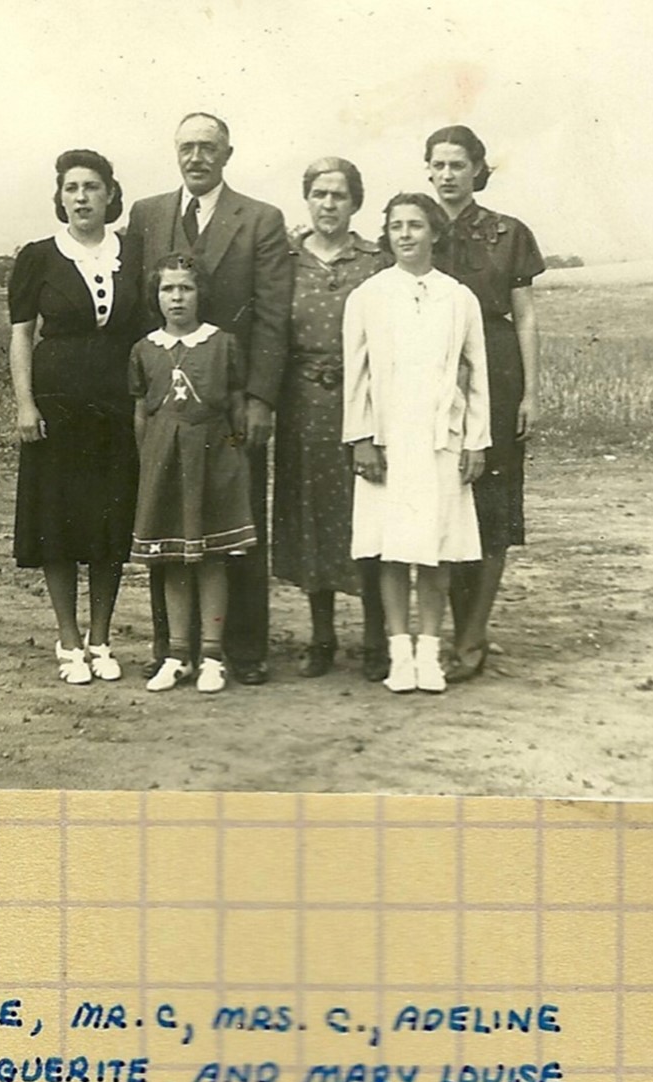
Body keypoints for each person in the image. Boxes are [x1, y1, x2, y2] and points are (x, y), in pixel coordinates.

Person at [124, 112, 292, 685]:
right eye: (187, 147)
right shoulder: (147, 215)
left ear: (227, 154)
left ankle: (238, 648)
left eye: (208, 148)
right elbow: (137, 312)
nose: (197, 157)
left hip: (231, 400)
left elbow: (272, 316)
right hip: (169, 407)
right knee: (167, 513)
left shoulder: (260, 219)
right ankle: (173, 648)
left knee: (236, 521)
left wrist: (260, 399)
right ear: (176, 153)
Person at [343, 193, 490, 693]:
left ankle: (429, 650)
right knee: (392, 548)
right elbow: (356, 376)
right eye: (396, 226)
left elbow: (476, 376)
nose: (406, 234)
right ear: (386, 234)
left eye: (416, 226)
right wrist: (362, 438)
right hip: (388, 440)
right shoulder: (368, 295)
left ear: (434, 233)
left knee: (435, 548)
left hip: (440, 441)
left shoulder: (458, 297)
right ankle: (398, 651)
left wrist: (476, 441)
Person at [8, 149, 139, 684]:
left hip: (116, 406)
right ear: (60, 199)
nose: (82, 197)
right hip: (57, 406)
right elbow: (21, 334)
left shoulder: (133, 253)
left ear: (111, 195)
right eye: (72, 188)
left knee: (109, 523)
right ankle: (69, 640)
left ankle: (102, 638)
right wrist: (25, 402)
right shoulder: (38, 256)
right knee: (57, 523)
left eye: (92, 187)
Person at [425, 125, 545, 682]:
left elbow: (524, 315)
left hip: (495, 372)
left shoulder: (508, 232)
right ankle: (451, 628)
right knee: (446, 498)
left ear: (478, 168)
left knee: (491, 504)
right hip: (435, 375)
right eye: (438, 164)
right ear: (428, 170)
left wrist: (530, 392)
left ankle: (473, 634)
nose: (448, 174)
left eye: (458, 164)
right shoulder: (415, 227)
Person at [272, 157, 389, 681]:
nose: (328, 204)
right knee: (312, 515)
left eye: (338, 195)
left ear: (355, 202)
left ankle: (376, 638)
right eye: (319, 194)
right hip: (303, 404)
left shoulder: (376, 261)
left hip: (364, 399)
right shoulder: (285, 259)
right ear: (307, 199)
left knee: (368, 512)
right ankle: (321, 636)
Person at [129, 255, 255, 694]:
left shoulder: (222, 343)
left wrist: (235, 450)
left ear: (201, 294)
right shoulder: (145, 349)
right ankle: (178, 654)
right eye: (168, 289)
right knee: (172, 559)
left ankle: (212, 656)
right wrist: (148, 460)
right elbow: (142, 411)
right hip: (165, 460)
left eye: (186, 288)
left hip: (214, 458)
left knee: (213, 557)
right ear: (156, 296)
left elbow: (236, 402)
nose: (177, 297)